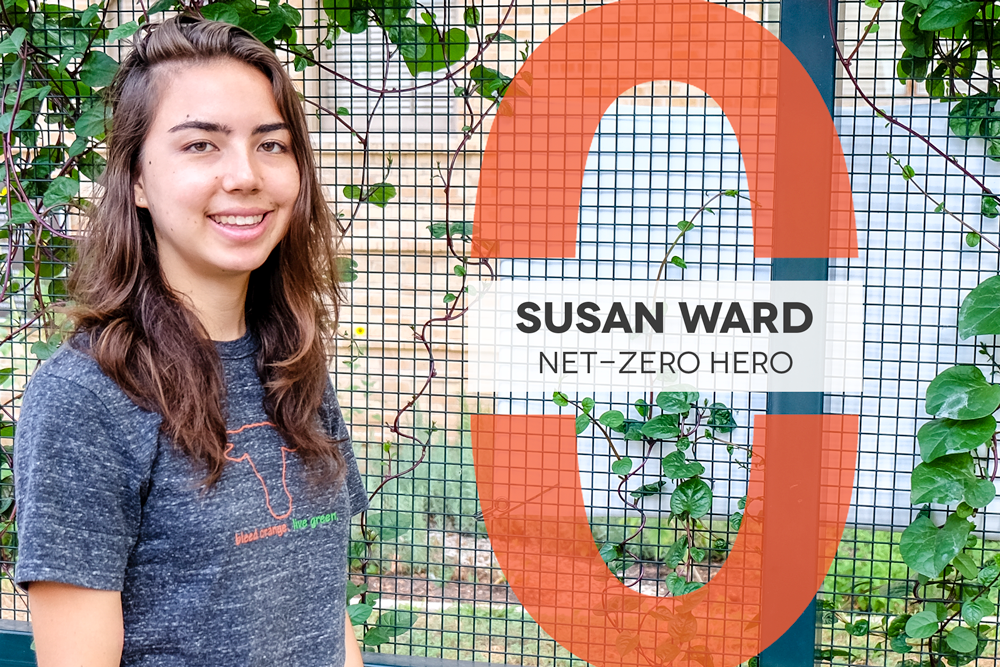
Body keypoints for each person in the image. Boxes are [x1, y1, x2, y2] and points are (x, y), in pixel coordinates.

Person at [12, 15, 369, 667]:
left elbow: (323, 605)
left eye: (272, 144)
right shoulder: (85, 399)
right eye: (201, 145)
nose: (245, 175)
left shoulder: (292, 360)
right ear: (138, 181)